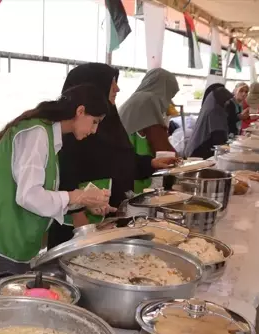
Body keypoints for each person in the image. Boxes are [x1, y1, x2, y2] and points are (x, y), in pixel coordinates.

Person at [0, 84, 111, 279]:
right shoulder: (37, 133)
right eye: (94, 121)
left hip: (15, 245)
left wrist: (82, 203)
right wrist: (77, 196)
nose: (94, 130)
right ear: (80, 110)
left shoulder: (49, 136)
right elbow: (29, 196)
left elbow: (43, 200)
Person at [46, 63, 177, 248]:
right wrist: (79, 214)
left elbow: (120, 161)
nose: (117, 88)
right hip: (79, 224)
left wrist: (151, 163)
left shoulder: (108, 121)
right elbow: (65, 173)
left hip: (107, 216)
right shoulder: (72, 126)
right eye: (112, 83)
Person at [118, 68, 180, 193]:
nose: (169, 102)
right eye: (169, 95)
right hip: (137, 173)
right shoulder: (149, 100)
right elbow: (162, 149)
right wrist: (183, 164)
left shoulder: (136, 99)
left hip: (125, 168)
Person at [185, 85, 234, 159]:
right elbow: (219, 139)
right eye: (227, 100)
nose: (228, 103)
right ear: (220, 100)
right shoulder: (214, 112)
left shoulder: (209, 108)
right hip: (199, 154)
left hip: (196, 149)